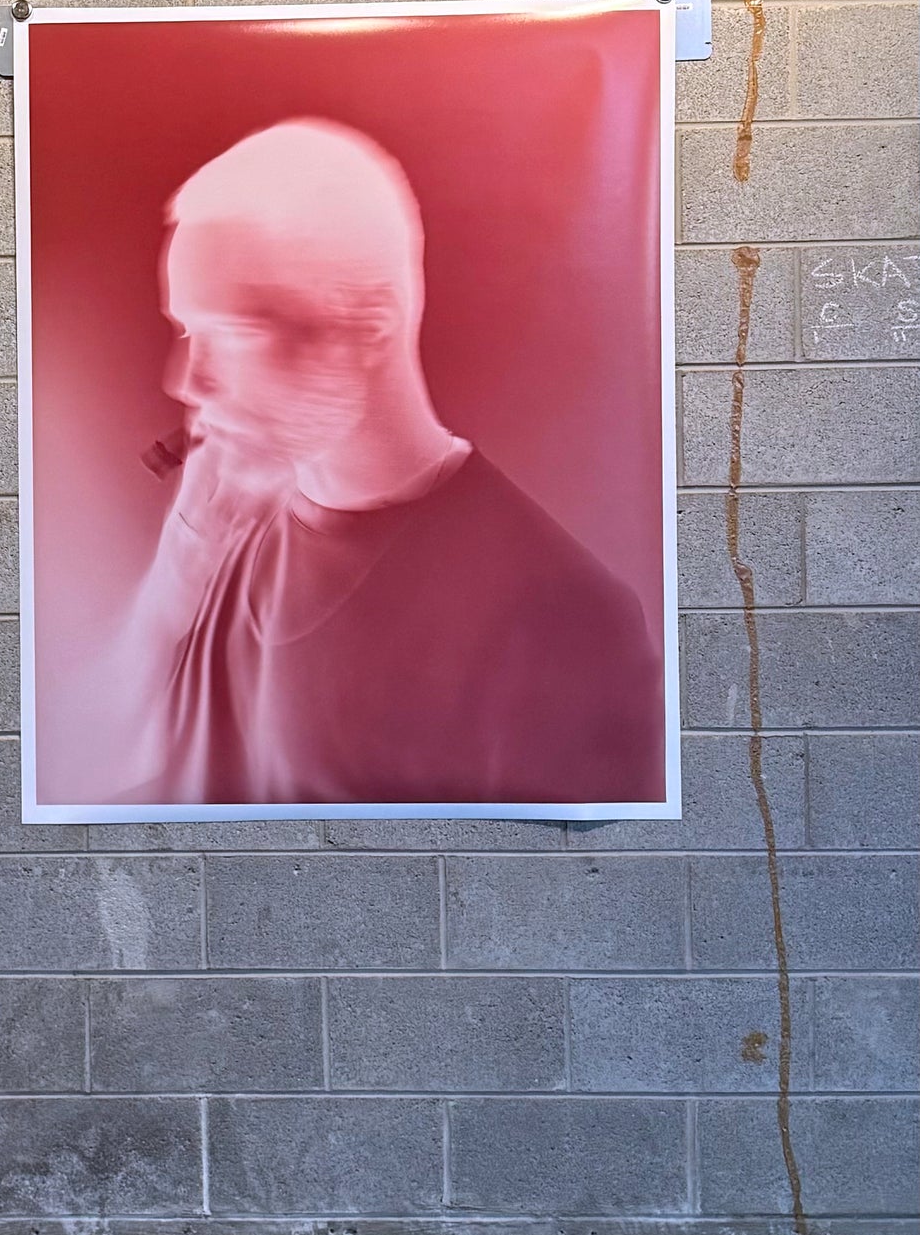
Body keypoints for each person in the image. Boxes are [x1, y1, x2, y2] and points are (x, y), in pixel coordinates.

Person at [113, 118, 663, 808]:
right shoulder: (222, 530)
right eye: (188, 329)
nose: (186, 382)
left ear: (372, 323)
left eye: (235, 333)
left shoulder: (562, 623)